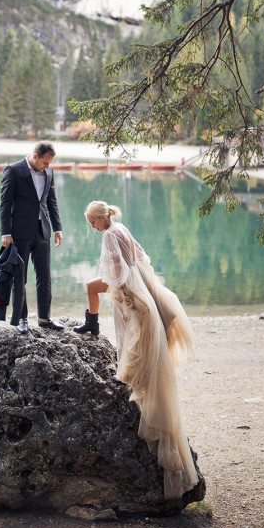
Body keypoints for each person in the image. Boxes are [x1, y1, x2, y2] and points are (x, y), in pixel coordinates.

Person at [74, 200, 198, 499]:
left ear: (101, 219)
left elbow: (116, 266)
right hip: (137, 278)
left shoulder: (108, 234)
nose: (92, 227)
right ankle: (99, 334)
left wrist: (125, 291)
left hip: (129, 284)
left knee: (126, 327)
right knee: (132, 328)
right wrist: (140, 279)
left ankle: (97, 333)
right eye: (90, 223)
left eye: (93, 222)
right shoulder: (122, 227)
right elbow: (142, 255)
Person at [0, 141, 64, 334]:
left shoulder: (49, 172)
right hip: (19, 233)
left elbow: (51, 201)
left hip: (42, 231)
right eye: (45, 162)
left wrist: (57, 228)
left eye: (50, 163)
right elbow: (5, 203)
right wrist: (6, 232)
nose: (48, 166)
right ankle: (22, 319)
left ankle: (44, 319)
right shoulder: (13, 170)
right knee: (20, 278)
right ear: (35, 156)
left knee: (45, 276)